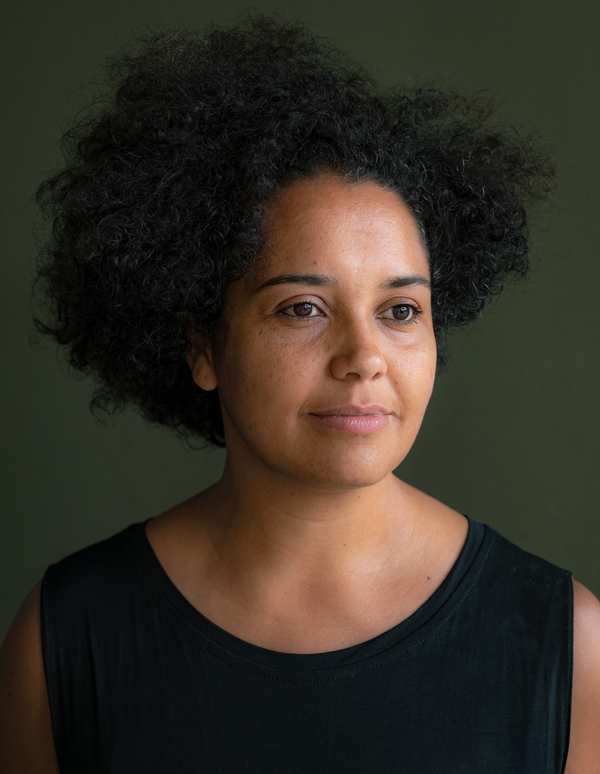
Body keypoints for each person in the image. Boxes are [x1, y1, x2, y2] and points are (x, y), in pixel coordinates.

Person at [1, 15, 599, 773]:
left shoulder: (567, 646)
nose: (364, 358)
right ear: (201, 345)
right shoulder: (67, 638)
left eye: (400, 311)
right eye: (303, 308)